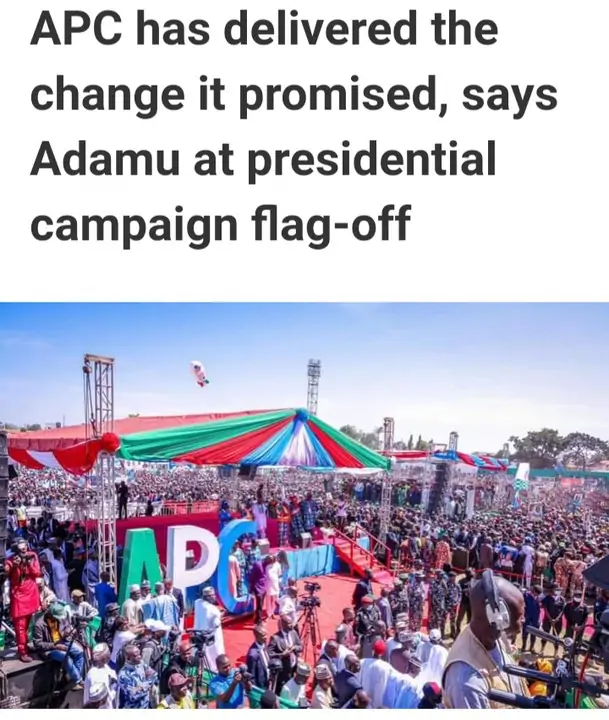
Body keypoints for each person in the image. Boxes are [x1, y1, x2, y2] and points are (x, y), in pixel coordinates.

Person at [442, 574, 531, 708]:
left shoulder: (494, 636)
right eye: (520, 615)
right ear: (498, 617)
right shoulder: (467, 683)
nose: (524, 619)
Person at [4, 539, 41, 662]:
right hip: (19, 596)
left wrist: (29, 563)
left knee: (28, 625)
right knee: (20, 626)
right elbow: (10, 577)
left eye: (24, 546)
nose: (24, 549)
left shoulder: (32, 555)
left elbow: (37, 573)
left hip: (31, 593)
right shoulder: (10, 560)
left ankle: (26, 646)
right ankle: (22, 651)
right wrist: (15, 566)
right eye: (21, 547)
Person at [33, 602, 85, 687]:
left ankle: (73, 679)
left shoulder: (60, 618)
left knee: (80, 652)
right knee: (65, 657)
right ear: (51, 614)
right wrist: (55, 646)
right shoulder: (39, 624)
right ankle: (78, 680)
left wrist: (68, 632)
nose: (59, 619)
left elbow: (67, 627)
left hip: (63, 641)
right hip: (50, 648)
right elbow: (38, 644)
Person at [117, 642, 159, 709]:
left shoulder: (141, 664)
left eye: (139, 654)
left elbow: (155, 675)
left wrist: (141, 687)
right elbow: (133, 696)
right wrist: (148, 684)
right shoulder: (123, 675)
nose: (140, 657)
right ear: (128, 658)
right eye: (136, 655)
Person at [193, 586, 224, 671]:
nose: (214, 597)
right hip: (211, 636)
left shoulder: (197, 603)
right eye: (212, 595)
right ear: (208, 597)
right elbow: (216, 624)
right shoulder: (213, 609)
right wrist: (220, 615)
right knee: (215, 652)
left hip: (198, 633)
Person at [84, 643, 117, 709]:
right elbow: (103, 699)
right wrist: (114, 689)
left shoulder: (104, 668)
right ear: (105, 658)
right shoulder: (96, 675)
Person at [246, 625, 271, 690]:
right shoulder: (252, 655)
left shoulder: (264, 644)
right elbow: (251, 676)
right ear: (256, 636)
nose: (266, 637)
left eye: (266, 634)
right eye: (263, 635)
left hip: (268, 681)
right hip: (260, 686)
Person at [522, 584, 542, 653]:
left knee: (534, 634)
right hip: (527, 617)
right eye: (537, 593)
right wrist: (524, 616)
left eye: (538, 594)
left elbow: (539, 609)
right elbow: (523, 606)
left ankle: (531, 648)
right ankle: (523, 646)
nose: (537, 595)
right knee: (525, 632)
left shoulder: (537, 598)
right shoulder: (526, 596)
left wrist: (539, 619)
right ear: (533, 591)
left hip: (535, 619)